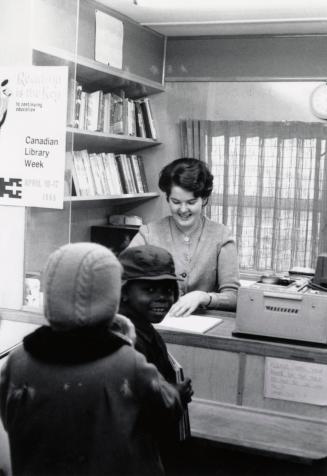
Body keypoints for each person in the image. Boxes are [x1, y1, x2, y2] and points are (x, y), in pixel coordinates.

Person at [0, 242, 183, 476]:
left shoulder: (17, 360)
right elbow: (166, 410)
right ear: (115, 294)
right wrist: (176, 393)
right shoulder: (128, 362)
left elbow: (9, 418)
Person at [128, 157, 240, 316]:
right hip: (159, 325)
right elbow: (120, 279)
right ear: (167, 198)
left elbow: (234, 297)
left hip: (205, 328)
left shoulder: (221, 236)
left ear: (204, 199)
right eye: (175, 201)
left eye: (191, 202)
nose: (183, 209)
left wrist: (204, 297)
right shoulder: (148, 234)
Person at [119, 244, 194, 473]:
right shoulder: (126, 339)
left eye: (167, 289)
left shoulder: (145, 329)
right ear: (123, 291)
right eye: (149, 290)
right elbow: (131, 409)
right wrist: (175, 395)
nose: (162, 298)